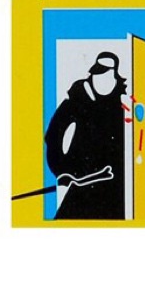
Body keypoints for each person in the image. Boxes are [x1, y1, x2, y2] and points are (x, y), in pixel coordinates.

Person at [44, 51, 127, 220]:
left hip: (117, 187)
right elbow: (52, 136)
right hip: (83, 183)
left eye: (106, 73)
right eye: (98, 72)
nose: (101, 78)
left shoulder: (122, 105)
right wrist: (62, 171)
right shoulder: (77, 100)